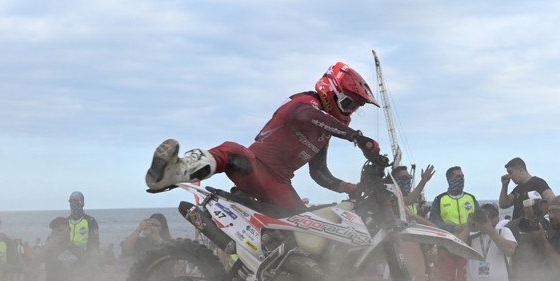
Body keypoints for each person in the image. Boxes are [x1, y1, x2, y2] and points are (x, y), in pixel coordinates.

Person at [144, 61, 382, 211]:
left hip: (280, 186)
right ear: (331, 91)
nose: (351, 111)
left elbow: (320, 174)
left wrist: (353, 188)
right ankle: (172, 171)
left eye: (355, 107)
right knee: (234, 150)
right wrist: (356, 137)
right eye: (349, 103)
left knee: (311, 229)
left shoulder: (324, 133)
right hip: (254, 168)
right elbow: (308, 115)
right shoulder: (304, 103)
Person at [464, 204, 516, 281]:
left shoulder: (503, 231)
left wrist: (490, 230)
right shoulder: (471, 235)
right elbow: (455, 250)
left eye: (486, 217)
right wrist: (467, 227)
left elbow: (510, 251)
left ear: (496, 219)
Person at [430, 166, 479, 238]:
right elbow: (434, 220)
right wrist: (452, 228)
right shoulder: (439, 199)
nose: (461, 179)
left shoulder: (471, 198)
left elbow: (480, 218)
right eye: (458, 177)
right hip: (449, 238)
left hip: (470, 237)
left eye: (462, 176)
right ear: (450, 180)